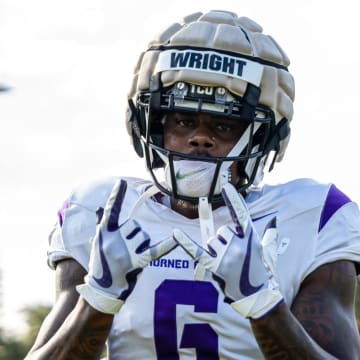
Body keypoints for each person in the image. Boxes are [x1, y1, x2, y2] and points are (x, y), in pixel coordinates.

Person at [26, 10, 360, 360]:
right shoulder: (101, 213)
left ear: (263, 136)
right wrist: (99, 298)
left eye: (225, 125)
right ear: (151, 125)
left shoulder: (313, 216)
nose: (200, 138)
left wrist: (263, 303)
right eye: (183, 120)